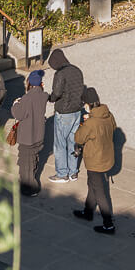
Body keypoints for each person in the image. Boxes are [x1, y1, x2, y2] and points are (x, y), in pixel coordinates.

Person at [72, 87, 116, 234]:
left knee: (99, 192)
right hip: (107, 157)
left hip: (95, 160)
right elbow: (113, 127)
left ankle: (108, 223)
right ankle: (88, 211)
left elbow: (78, 138)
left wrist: (86, 122)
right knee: (92, 184)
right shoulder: (108, 115)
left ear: (87, 104)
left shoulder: (91, 123)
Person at [44, 48, 85, 183]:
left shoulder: (60, 74)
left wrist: (50, 98)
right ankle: (73, 172)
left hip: (64, 112)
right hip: (77, 111)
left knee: (60, 144)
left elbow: (56, 93)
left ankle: (62, 174)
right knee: (73, 142)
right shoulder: (77, 70)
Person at [9, 69, 48, 197]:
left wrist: (15, 104)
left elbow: (19, 114)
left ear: (29, 83)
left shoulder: (27, 98)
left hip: (28, 137)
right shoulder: (43, 96)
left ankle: (30, 187)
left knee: (26, 163)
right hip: (38, 136)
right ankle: (29, 182)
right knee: (33, 159)